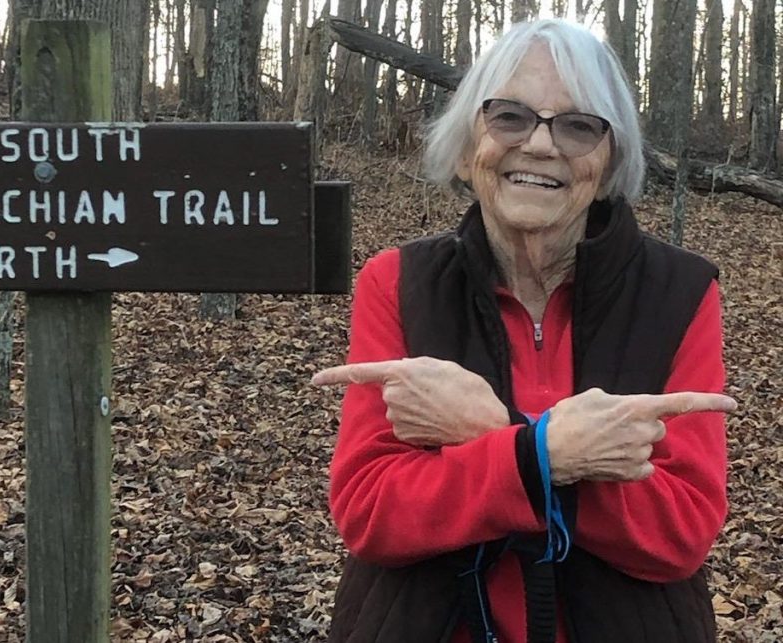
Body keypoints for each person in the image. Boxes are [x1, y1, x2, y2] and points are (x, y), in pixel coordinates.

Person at [312, 19, 737, 643]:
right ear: (466, 146)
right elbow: (372, 511)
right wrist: (555, 455)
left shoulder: (678, 293)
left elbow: (681, 530)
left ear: (609, 157)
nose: (540, 146)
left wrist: (498, 439)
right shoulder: (399, 283)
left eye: (578, 125)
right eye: (509, 116)